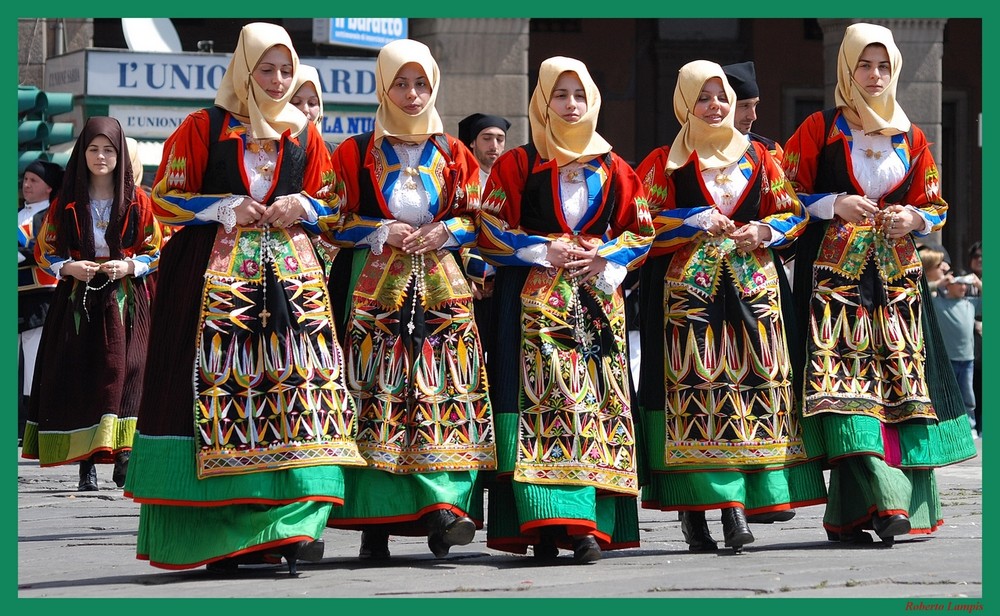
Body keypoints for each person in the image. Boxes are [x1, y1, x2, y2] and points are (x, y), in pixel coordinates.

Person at [124, 22, 364, 574]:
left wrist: (300, 207)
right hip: (211, 282)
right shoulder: (202, 127)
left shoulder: (304, 133)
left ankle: (288, 527)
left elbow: (334, 205)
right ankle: (217, 535)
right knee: (221, 392)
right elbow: (166, 200)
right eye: (267, 69)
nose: (279, 80)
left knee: (298, 395)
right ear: (244, 70)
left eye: (287, 70)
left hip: (292, 284)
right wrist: (222, 206)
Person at [782, 22, 977, 545]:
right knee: (845, 391)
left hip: (896, 286)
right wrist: (832, 204)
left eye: (884, 66)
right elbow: (782, 196)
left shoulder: (911, 135)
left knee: (901, 392)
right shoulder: (819, 129)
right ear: (847, 68)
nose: (874, 75)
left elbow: (934, 203)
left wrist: (913, 220)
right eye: (865, 65)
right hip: (834, 287)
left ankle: (855, 513)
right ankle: (887, 500)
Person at [634, 60, 824, 554]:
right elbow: (636, 225)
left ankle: (736, 506)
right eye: (705, 97)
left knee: (748, 387)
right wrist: (688, 221)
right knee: (696, 392)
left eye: (722, 97)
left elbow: (793, 213)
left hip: (753, 293)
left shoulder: (760, 159)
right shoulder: (663, 162)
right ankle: (695, 513)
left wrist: (763, 230)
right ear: (684, 103)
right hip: (685, 299)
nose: (716, 106)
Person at [323, 38, 495, 561]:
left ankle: (443, 509)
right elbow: (331, 218)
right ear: (383, 86)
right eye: (401, 82)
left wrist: (448, 233)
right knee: (378, 394)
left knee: (446, 391)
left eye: (421, 83)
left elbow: (479, 218)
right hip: (375, 290)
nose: (413, 93)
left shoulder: (453, 152)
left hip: (443, 291)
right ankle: (375, 523)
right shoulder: (354, 151)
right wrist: (382, 230)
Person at [478, 56, 653, 564]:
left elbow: (642, 233)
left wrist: (607, 256)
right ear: (542, 101)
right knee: (541, 409)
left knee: (593, 410)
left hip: (596, 307)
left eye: (579, 95)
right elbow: (488, 229)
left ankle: (586, 525)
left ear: (593, 100)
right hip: (530, 311)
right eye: (560, 95)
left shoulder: (615, 167)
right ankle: (541, 523)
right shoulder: (517, 164)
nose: (571, 105)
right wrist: (540, 249)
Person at [21, 117, 161, 492]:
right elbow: (44, 249)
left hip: (124, 300)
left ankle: (123, 455)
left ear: (121, 156)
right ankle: (87, 462)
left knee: (126, 370)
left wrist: (130, 264)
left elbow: (156, 248)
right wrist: (69, 266)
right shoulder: (65, 202)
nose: (101, 157)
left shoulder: (138, 201)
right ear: (82, 153)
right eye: (94, 149)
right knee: (87, 374)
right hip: (78, 301)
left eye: (110, 150)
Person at [456, 112, 512, 359]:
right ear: (472, 142)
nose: (494, 146)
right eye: (487, 138)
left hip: (504, 280)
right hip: (467, 281)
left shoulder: (511, 179)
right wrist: (463, 276)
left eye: (500, 139)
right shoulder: (462, 178)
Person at [18, 159, 64, 442]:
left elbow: (46, 250)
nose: (26, 184)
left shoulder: (50, 215)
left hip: (41, 298)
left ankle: (33, 425)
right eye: (25, 179)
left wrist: (23, 249)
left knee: (35, 363)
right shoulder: (17, 214)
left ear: (48, 187)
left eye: (33, 180)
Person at [932, 271, 982, 438]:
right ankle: (949, 427)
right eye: (958, 283)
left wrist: (979, 285)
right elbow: (921, 296)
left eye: (965, 284)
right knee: (947, 395)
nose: (963, 287)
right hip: (948, 360)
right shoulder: (938, 304)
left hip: (968, 360)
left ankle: (970, 426)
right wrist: (939, 282)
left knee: (968, 396)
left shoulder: (970, 303)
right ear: (949, 285)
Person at [965, 241, 982, 436]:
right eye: (976, 256)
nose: (979, 260)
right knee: (973, 386)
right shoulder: (962, 279)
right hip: (969, 345)